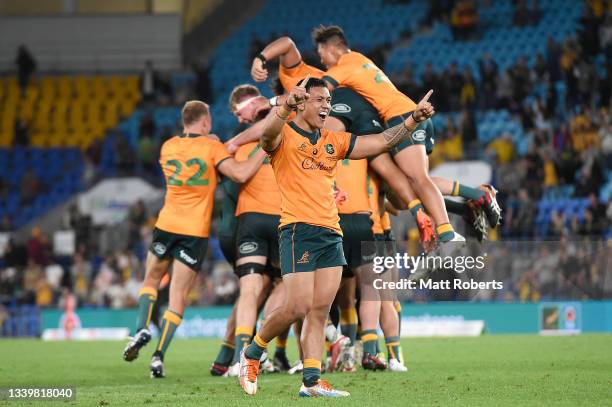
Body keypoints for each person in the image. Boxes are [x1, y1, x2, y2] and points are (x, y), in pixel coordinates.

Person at [238, 76, 435, 397]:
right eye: (319, 100)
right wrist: (285, 105)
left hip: (331, 233)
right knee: (297, 307)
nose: (327, 105)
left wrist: (413, 120)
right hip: (297, 230)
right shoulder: (284, 135)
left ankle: (312, 382)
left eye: (329, 101)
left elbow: (382, 141)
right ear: (302, 103)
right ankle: (252, 352)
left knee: (318, 310)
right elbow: (267, 134)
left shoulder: (334, 140)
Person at [249, 35, 439, 251]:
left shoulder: (300, 78)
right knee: (385, 167)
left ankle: (336, 188)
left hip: (348, 110)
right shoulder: (328, 85)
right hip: (361, 115)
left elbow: (287, 43)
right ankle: (430, 210)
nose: (321, 60)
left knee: (327, 150)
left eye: (322, 54)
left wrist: (261, 60)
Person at [122, 100, 267, 378]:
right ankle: (158, 356)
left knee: (151, 281)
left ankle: (141, 327)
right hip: (194, 232)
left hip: (166, 223)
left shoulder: (167, 147)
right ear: (205, 121)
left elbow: (192, 155)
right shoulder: (211, 148)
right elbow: (240, 173)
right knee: (177, 297)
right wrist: (264, 147)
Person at [312, 25, 501, 237]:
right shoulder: (360, 60)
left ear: (333, 48)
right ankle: (467, 207)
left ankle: (455, 226)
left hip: (401, 117)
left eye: (321, 54)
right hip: (404, 114)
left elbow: (319, 90)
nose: (322, 61)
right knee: (405, 193)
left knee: (419, 179)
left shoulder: (344, 66)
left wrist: (284, 104)